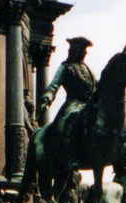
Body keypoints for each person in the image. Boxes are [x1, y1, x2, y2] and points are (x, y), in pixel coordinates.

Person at [40, 37, 95, 169]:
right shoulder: (65, 68)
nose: (85, 53)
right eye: (83, 50)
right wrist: (47, 98)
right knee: (73, 118)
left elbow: (96, 86)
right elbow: (54, 85)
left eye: (85, 50)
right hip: (74, 103)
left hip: (88, 104)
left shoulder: (88, 69)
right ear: (76, 51)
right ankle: (71, 155)